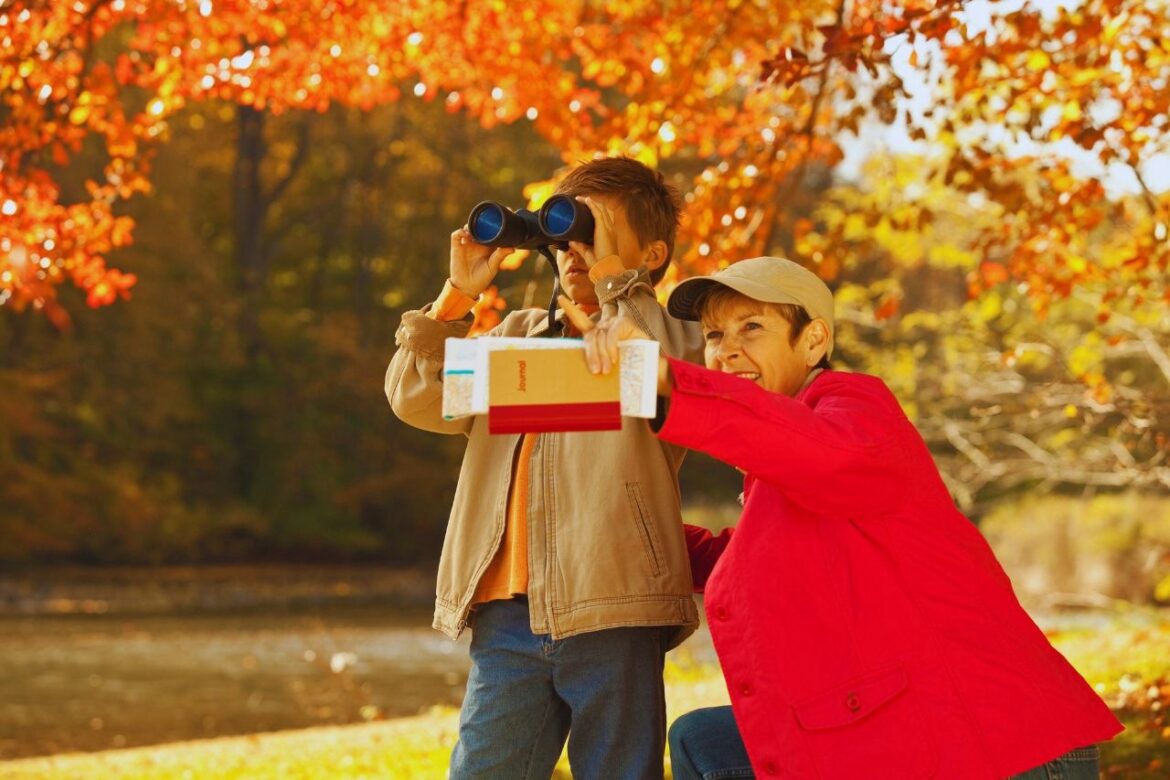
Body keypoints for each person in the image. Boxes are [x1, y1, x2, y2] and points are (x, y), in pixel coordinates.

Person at [566, 256, 1123, 779]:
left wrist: (669, 380)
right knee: (702, 741)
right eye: (714, 336)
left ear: (814, 340)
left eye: (751, 328)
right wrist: (625, 528)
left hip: (1009, 748)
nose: (726, 352)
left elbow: (828, 456)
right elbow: (751, 559)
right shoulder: (783, 458)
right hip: (920, 735)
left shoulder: (854, 409)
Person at [386, 156, 704, 779]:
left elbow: (676, 381)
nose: (575, 250)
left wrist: (618, 282)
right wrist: (457, 298)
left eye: (596, 232)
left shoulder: (666, 338)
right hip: (507, 614)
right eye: (567, 232)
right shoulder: (515, 338)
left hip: (617, 604)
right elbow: (414, 397)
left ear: (654, 251)